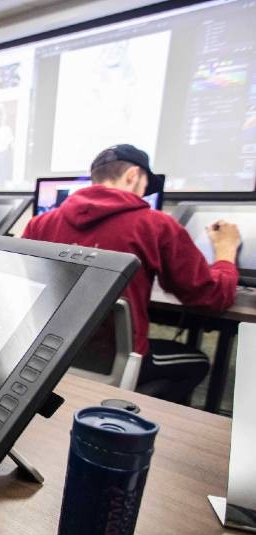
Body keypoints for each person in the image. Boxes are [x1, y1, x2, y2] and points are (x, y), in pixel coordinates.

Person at [23, 144, 240, 403]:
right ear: (133, 175)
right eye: (145, 186)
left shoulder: (39, 224)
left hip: (47, 357)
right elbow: (211, 296)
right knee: (197, 362)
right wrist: (226, 253)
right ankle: (138, 418)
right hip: (115, 363)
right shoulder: (156, 225)